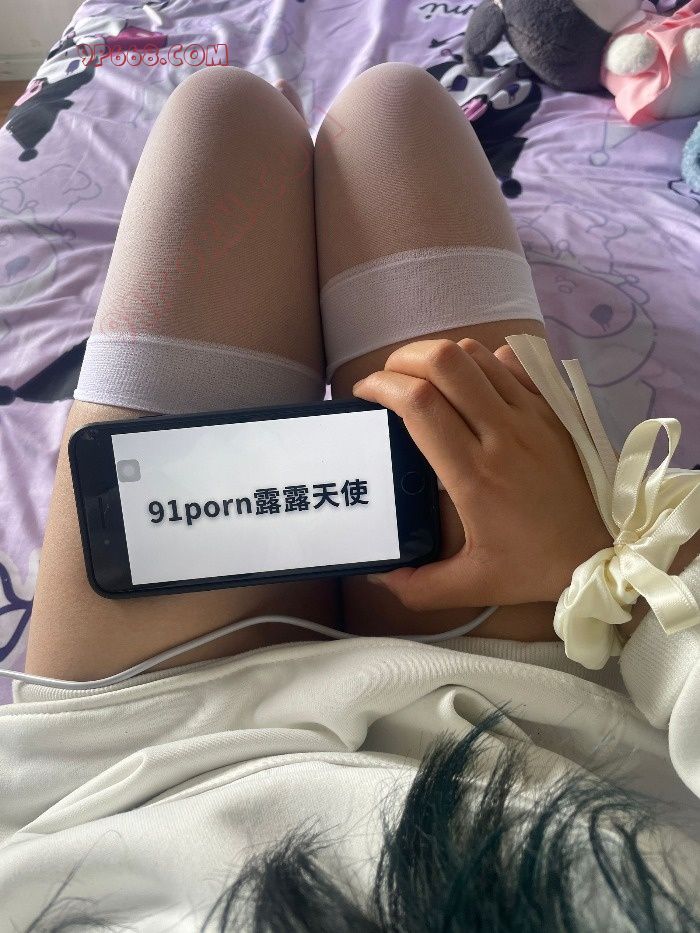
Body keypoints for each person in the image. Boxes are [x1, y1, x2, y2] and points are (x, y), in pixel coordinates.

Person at [0, 63, 698, 931]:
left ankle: (292, 159)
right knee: (387, 108)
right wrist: (602, 565)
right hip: (535, 715)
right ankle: (305, 176)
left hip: (134, 768)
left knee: (227, 111)